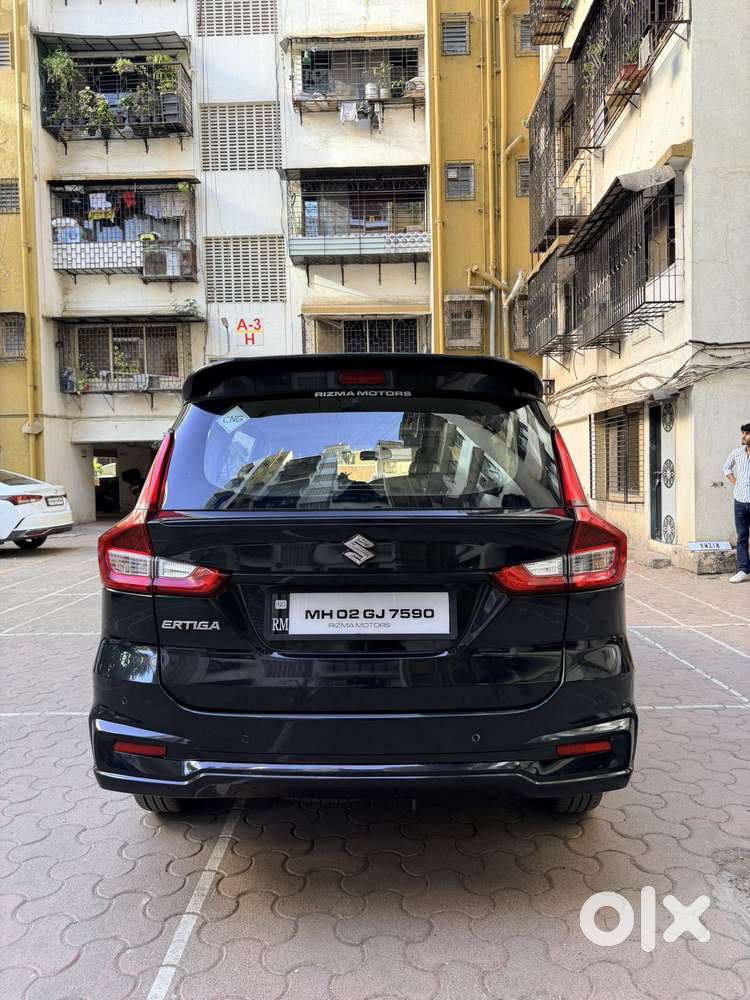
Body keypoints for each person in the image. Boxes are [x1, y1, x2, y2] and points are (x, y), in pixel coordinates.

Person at [723, 422, 750, 583]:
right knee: (742, 537)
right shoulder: (737, 453)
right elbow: (726, 468)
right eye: (743, 433)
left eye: (746, 433)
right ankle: (743, 570)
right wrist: (736, 483)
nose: (743, 436)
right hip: (740, 501)